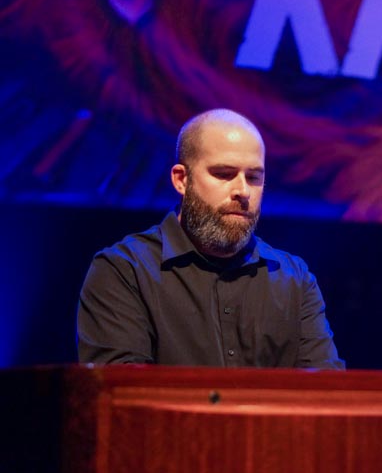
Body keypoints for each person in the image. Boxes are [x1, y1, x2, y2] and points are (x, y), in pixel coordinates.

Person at [77, 109, 344, 369]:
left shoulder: (294, 279)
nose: (243, 191)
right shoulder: (124, 271)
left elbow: (325, 390)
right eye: (224, 174)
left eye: (254, 178)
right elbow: (122, 391)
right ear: (181, 180)